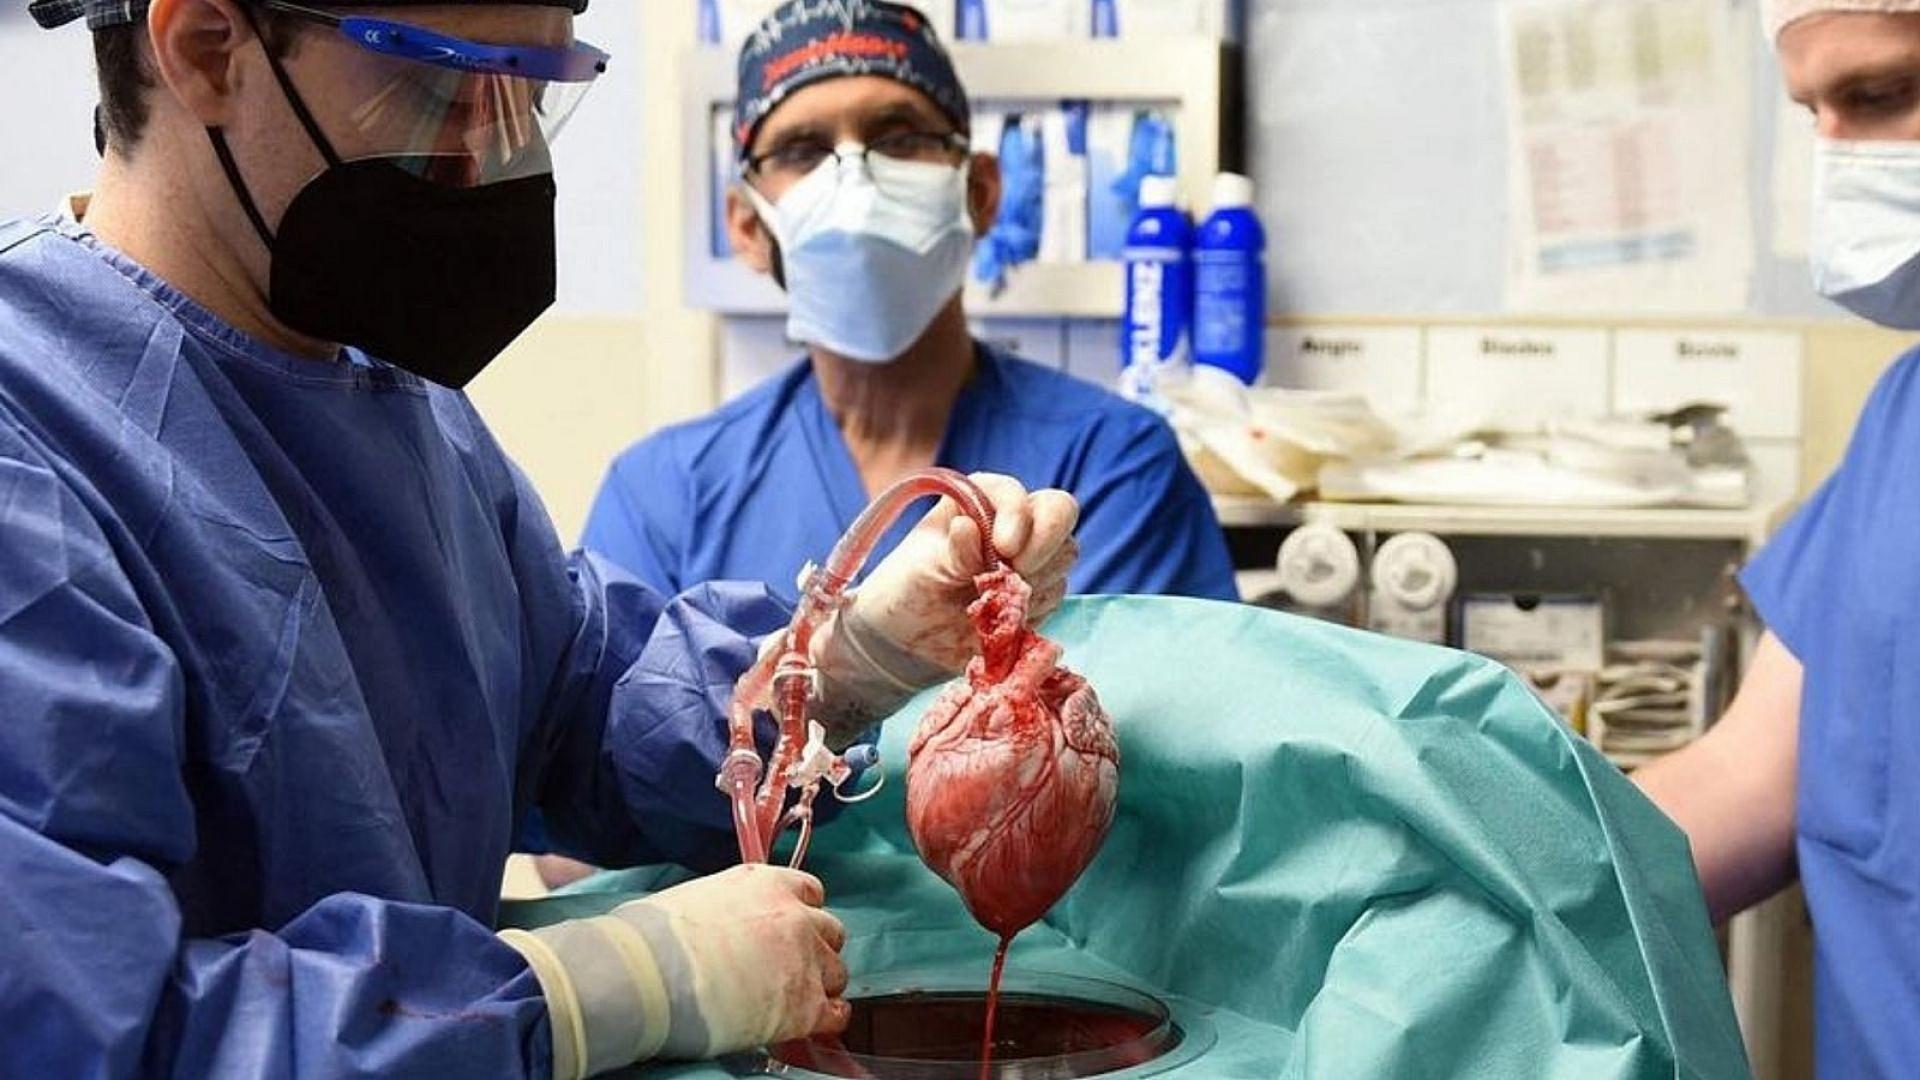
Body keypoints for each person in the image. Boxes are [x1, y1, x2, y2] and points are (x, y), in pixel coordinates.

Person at [0, 1, 1078, 1076]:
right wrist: (591, 989)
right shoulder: (34, 436)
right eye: (444, 83)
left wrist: (842, 662)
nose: (490, 149)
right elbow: (82, 1029)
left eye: (530, 89)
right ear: (206, 48)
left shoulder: (390, 398)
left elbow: (576, 703)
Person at [579, 0, 1236, 605]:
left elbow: (1138, 717)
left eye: (897, 139)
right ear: (747, 225)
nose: (854, 181)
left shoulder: (1112, 465)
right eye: (803, 150)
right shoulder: (666, 495)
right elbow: (626, 724)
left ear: (978, 192)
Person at [1634, 2, 1920, 1074]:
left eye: (1884, 95)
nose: (1839, 162)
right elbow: (1746, 783)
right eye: (1813, 116)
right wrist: (1440, 841)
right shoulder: (1904, 420)